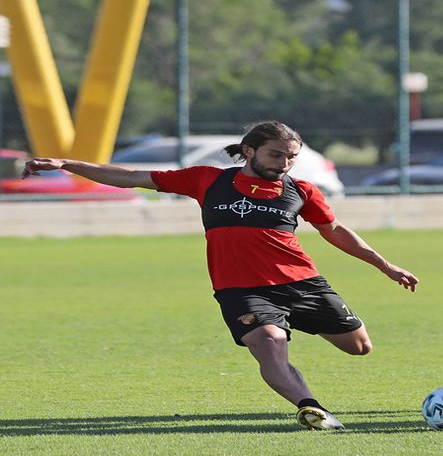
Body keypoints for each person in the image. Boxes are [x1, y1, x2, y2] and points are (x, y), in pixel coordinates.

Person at [23, 120, 420, 430]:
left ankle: (296, 330)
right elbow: (130, 177)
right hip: (242, 290)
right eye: (275, 154)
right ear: (249, 151)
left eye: (290, 157)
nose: (283, 163)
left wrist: (385, 265)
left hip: (302, 283)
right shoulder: (208, 180)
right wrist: (65, 164)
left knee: (359, 347)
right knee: (267, 343)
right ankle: (311, 407)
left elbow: (333, 230)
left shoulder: (301, 190)